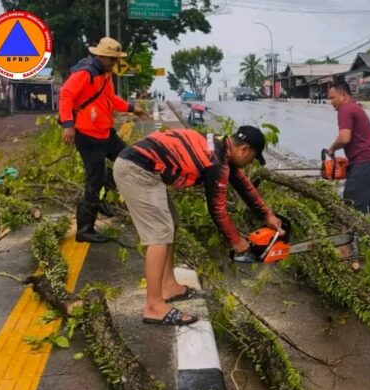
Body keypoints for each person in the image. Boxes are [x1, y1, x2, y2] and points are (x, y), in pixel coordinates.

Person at [113, 126, 282, 326]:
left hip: (143, 167)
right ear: (244, 149)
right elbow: (217, 209)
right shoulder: (215, 161)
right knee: (159, 233)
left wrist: (267, 214)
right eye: (252, 158)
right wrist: (237, 242)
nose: (249, 164)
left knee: (171, 224)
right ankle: (153, 306)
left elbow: (243, 185)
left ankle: (168, 285)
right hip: (137, 169)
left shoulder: (220, 147)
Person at [58, 37, 149, 243]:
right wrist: (68, 125)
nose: (115, 63)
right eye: (112, 59)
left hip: (106, 133)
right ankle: (85, 230)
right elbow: (65, 95)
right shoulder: (86, 72)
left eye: (116, 60)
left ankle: (101, 197)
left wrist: (132, 108)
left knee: (130, 159)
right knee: (93, 180)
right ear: (101, 56)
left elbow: (110, 99)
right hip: (88, 135)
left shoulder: (105, 74)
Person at [326, 80, 370, 224]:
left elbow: (344, 138)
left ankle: (345, 246)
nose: (331, 102)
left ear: (342, 96)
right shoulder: (355, 107)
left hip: (365, 164)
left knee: (349, 210)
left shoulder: (345, 109)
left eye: (332, 98)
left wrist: (331, 150)